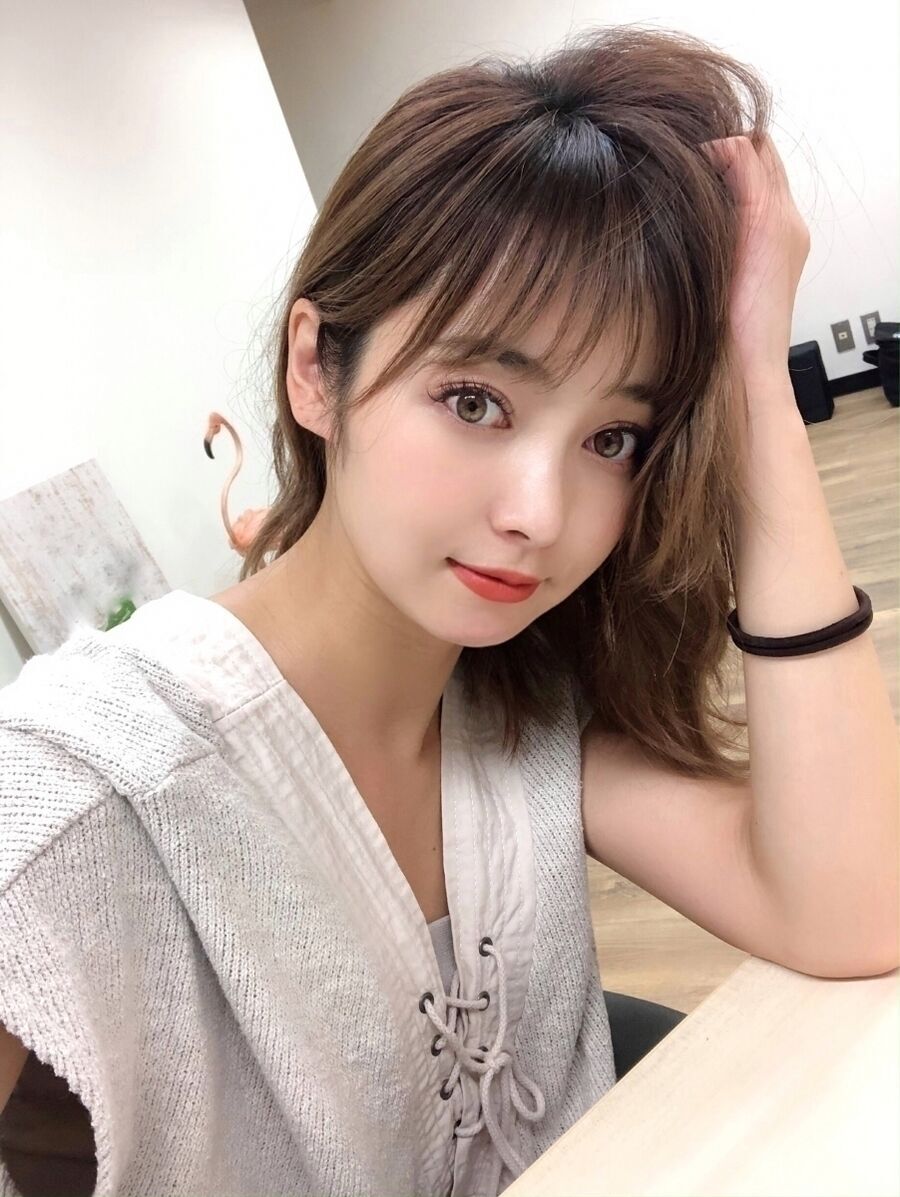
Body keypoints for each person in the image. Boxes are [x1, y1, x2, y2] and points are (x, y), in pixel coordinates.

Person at [6, 20, 886, 1197]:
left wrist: (753, 382)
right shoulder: (73, 793)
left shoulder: (522, 710)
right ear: (315, 369)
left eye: (614, 438)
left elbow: (851, 913)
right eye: (475, 401)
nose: (541, 513)